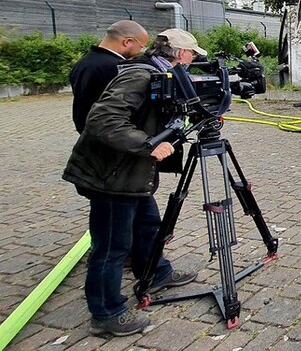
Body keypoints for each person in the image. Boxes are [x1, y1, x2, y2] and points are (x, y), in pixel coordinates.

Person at [63, 28, 206, 337]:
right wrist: (147, 144)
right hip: (111, 176)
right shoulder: (140, 76)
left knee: (147, 225)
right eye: (192, 54)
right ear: (179, 54)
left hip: (131, 173)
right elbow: (102, 120)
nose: (193, 60)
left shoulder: (160, 75)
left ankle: (155, 272)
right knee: (113, 245)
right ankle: (106, 312)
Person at [69, 20, 150, 133]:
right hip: (110, 132)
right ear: (128, 42)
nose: (140, 51)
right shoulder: (119, 68)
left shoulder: (83, 62)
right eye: (141, 47)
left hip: (86, 129)